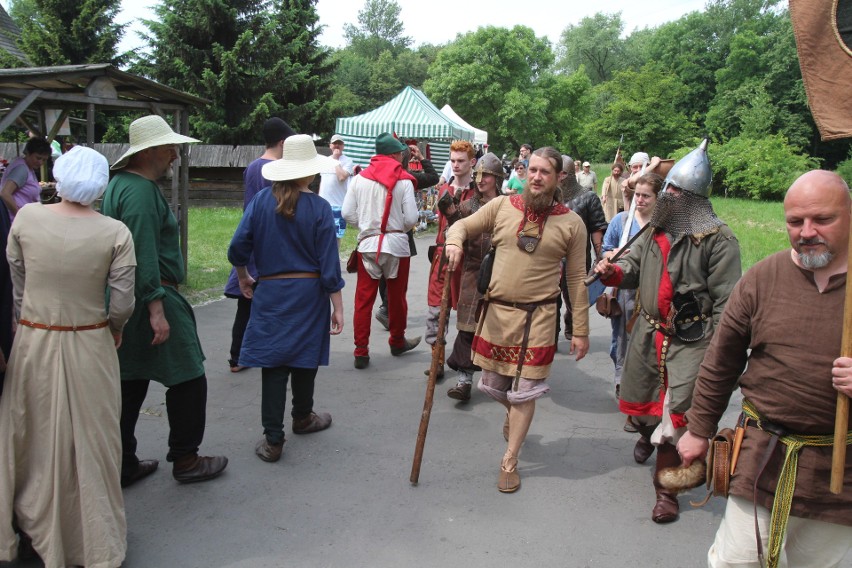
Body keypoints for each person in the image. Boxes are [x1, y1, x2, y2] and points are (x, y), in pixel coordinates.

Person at [677, 170, 852, 567]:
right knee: (737, 560)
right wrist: (699, 430)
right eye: (795, 221)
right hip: (763, 452)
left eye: (822, 219)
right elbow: (721, 359)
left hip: (840, 467)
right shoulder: (763, 278)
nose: (807, 231)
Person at [0, 146, 136, 568]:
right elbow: (122, 302)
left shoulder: (26, 218)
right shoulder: (114, 232)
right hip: (89, 342)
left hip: (34, 340)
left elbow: (17, 277)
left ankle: (24, 529)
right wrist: (113, 328)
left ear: (58, 177)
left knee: (31, 435)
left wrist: (25, 320)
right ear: (100, 185)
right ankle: (91, 539)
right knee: (93, 439)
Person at [594, 139, 741, 523]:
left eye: (674, 191)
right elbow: (633, 269)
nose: (667, 195)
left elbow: (728, 304)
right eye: (667, 189)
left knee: (674, 414)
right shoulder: (656, 232)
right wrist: (614, 272)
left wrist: (719, 353)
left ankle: (667, 491)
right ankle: (647, 434)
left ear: (694, 199)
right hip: (647, 332)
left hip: (692, 340)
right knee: (641, 403)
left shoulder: (719, 241)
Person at [445, 146, 590, 493]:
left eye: (544, 172)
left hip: (539, 318)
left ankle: (510, 458)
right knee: (493, 386)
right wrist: (454, 242)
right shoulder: (502, 206)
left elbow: (576, 279)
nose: (536, 177)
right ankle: (513, 415)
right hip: (497, 314)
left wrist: (581, 330)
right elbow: (463, 225)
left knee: (525, 393)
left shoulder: (572, 224)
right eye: (532, 170)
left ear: (559, 178)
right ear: (524, 171)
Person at [102, 115, 228, 486]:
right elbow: (140, 253)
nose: (175, 154)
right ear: (150, 151)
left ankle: (122, 463)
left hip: (128, 296)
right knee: (190, 376)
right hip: (150, 293)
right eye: (170, 147)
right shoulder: (139, 192)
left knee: (130, 380)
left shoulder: (119, 185)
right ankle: (187, 459)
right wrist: (156, 306)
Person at [228, 134, 344, 462]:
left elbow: (237, 248)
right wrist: (337, 307)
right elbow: (329, 266)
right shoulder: (320, 209)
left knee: (274, 363)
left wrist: (243, 276)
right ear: (310, 172)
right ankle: (303, 417)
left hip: (271, 294)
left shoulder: (261, 201)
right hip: (309, 295)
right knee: (305, 356)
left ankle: (273, 439)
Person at [342, 133, 420, 369]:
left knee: (363, 301)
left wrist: (366, 225)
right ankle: (397, 341)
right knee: (396, 298)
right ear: (395, 154)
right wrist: (397, 229)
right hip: (396, 246)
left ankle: (361, 351)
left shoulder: (358, 179)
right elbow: (412, 218)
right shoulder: (404, 181)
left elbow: (347, 214)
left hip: (368, 245)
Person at [223, 117, 296, 373]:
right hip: (270, 240)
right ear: (282, 142)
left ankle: (237, 356)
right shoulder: (279, 169)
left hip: (250, 235)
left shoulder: (253, 166)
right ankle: (270, 351)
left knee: (247, 302)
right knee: (272, 299)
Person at [444, 153, 504, 402]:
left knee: (499, 328)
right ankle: (464, 379)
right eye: (478, 175)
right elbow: (455, 231)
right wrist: (451, 213)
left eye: (486, 174)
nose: (480, 179)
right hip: (472, 271)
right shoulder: (468, 206)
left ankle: (501, 379)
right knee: (467, 327)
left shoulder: (508, 206)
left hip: (502, 273)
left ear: (497, 178)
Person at [601, 174, 662, 413]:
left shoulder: (662, 225)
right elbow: (605, 252)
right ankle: (621, 381)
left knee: (646, 342)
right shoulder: (621, 220)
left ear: (658, 198)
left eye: (646, 196)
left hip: (650, 290)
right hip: (624, 289)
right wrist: (616, 254)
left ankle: (644, 390)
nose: (640, 199)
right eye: (637, 194)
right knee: (621, 338)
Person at [424, 140, 477, 378]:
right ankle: (437, 359)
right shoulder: (443, 190)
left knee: (468, 312)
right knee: (436, 310)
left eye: (461, 161)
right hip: (441, 256)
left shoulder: (479, 192)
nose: (455, 165)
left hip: (468, 259)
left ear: (472, 162)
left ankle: (467, 368)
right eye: (452, 161)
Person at [374, 144, 439, 330]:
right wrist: (421, 157)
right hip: (400, 233)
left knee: (383, 273)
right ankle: (388, 309)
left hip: (379, 231)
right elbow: (433, 177)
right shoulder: (409, 177)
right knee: (396, 276)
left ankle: (387, 308)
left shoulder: (374, 176)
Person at [559, 155, 607, 341]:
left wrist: (600, 254)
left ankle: (571, 320)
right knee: (550, 299)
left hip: (577, 257)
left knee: (574, 298)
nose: (559, 177)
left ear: (570, 174)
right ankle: (549, 335)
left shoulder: (588, 197)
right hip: (551, 257)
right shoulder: (548, 196)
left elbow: (596, 228)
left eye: (562, 173)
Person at [0, 137, 51, 220]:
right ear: (28, 153)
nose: (40, 162)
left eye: (44, 160)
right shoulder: (21, 169)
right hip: (14, 221)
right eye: (38, 158)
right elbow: (5, 193)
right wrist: (19, 215)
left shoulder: (29, 168)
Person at [318, 134, 354, 212]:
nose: (337, 145)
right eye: (335, 143)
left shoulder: (348, 161)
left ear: (343, 146)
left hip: (338, 206)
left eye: (339, 143)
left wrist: (335, 159)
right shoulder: (324, 161)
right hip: (322, 205)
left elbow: (342, 177)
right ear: (330, 145)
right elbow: (323, 183)